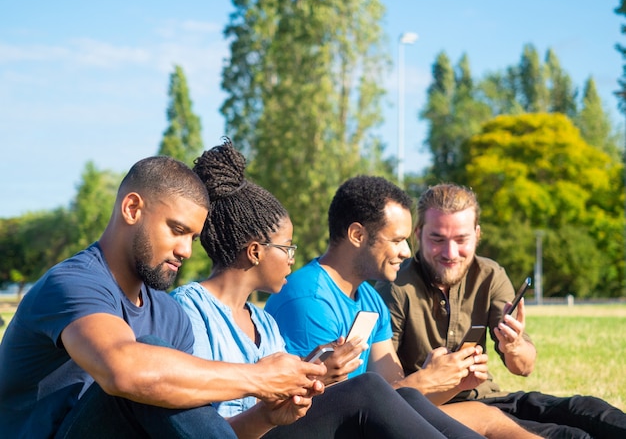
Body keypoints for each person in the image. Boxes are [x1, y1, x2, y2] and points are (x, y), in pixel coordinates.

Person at [171, 139, 485, 439]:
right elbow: (196, 425)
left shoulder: (263, 323)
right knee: (368, 390)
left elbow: (279, 406)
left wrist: (312, 378)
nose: (293, 259)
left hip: (275, 430)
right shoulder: (191, 311)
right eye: (287, 249)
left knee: (406, 399)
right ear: (255, 252)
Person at [0, 155, 327, 438]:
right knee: (148, 362)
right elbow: (122, 370)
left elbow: (194, 430)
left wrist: (264, 416)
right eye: (176, 229)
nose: (185, 250)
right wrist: (260, 378)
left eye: (193, 237)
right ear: (132, 208)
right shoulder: (73, 283)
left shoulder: (171, 315)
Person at [265, 175, 540, 438]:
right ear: (358, 235)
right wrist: (427, 378)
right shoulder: (308, 302)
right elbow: (329, 411)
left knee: (489, 417)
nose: (407, 251)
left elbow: (399, 396)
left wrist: (448, 381)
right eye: (397, 240)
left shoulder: (370, 299)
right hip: (329, 427)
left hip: (362, 421)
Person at [375, 182, 626, 439]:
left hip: (490, 398)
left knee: (588, 410)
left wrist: (514, 345)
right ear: (418, 234)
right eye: (437, 239)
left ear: (477, 234)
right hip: (432, 411)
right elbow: (386, 391)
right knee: (568, 435)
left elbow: (524, 367)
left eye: (461, 240)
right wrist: (434, 378)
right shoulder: (395, 286)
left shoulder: (489, 274)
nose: (450, 253)